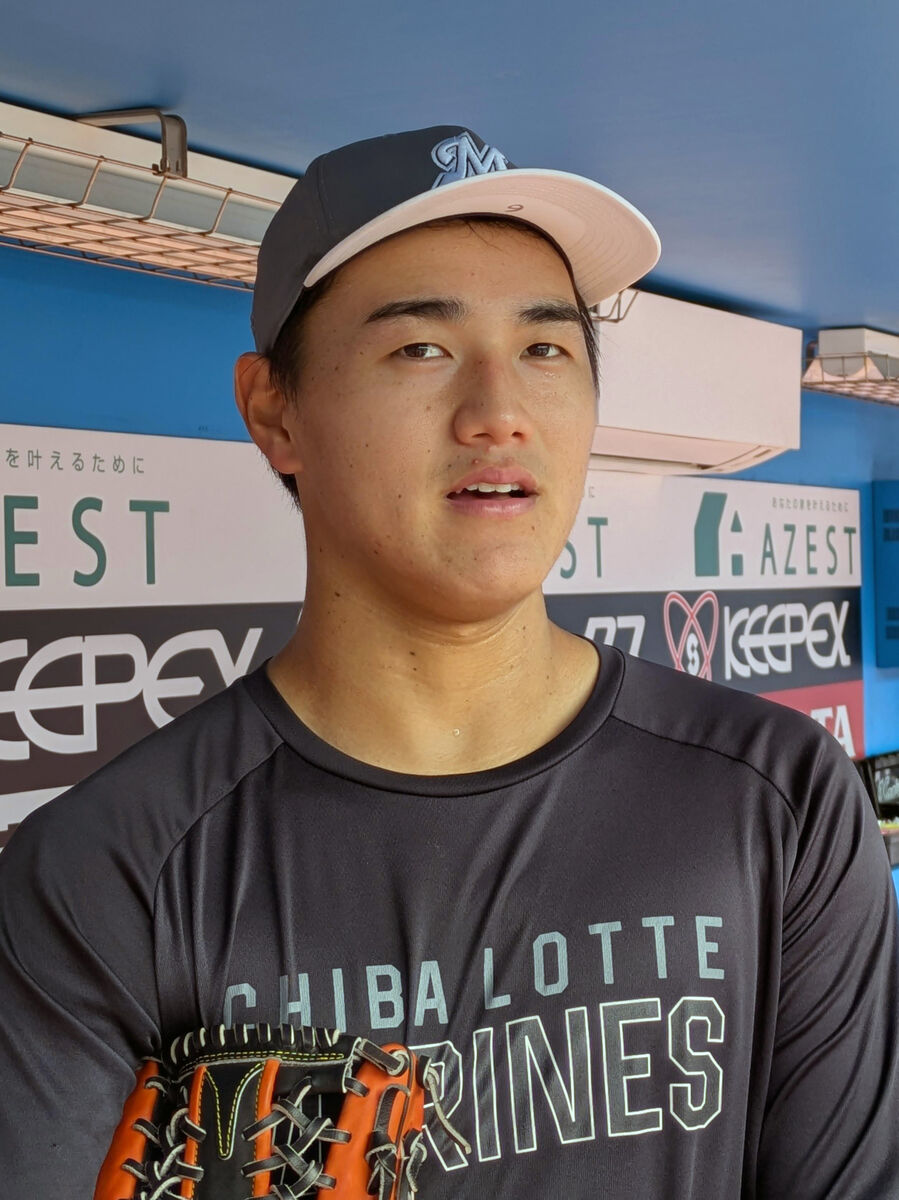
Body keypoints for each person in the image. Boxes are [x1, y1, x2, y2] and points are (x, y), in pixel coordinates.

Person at [0, 124, 897, 1198]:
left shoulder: (781, 797)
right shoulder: (102, 873)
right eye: (420, 349)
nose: (498, 413)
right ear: (274, 412)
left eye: (545, 349)